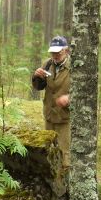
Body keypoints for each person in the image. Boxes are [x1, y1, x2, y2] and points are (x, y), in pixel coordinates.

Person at [32, 36, 71, 167]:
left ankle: (65, 179)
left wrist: (69, 99)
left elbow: (84, 93)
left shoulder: (74, 67)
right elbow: (39, 87)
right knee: (47, 153)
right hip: (49, 116)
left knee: (65, 157)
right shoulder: (47, 64)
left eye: (58, 52)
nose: (55, 55)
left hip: (65, 119)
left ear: (66, 50)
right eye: (53, 52)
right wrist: (36, 77)